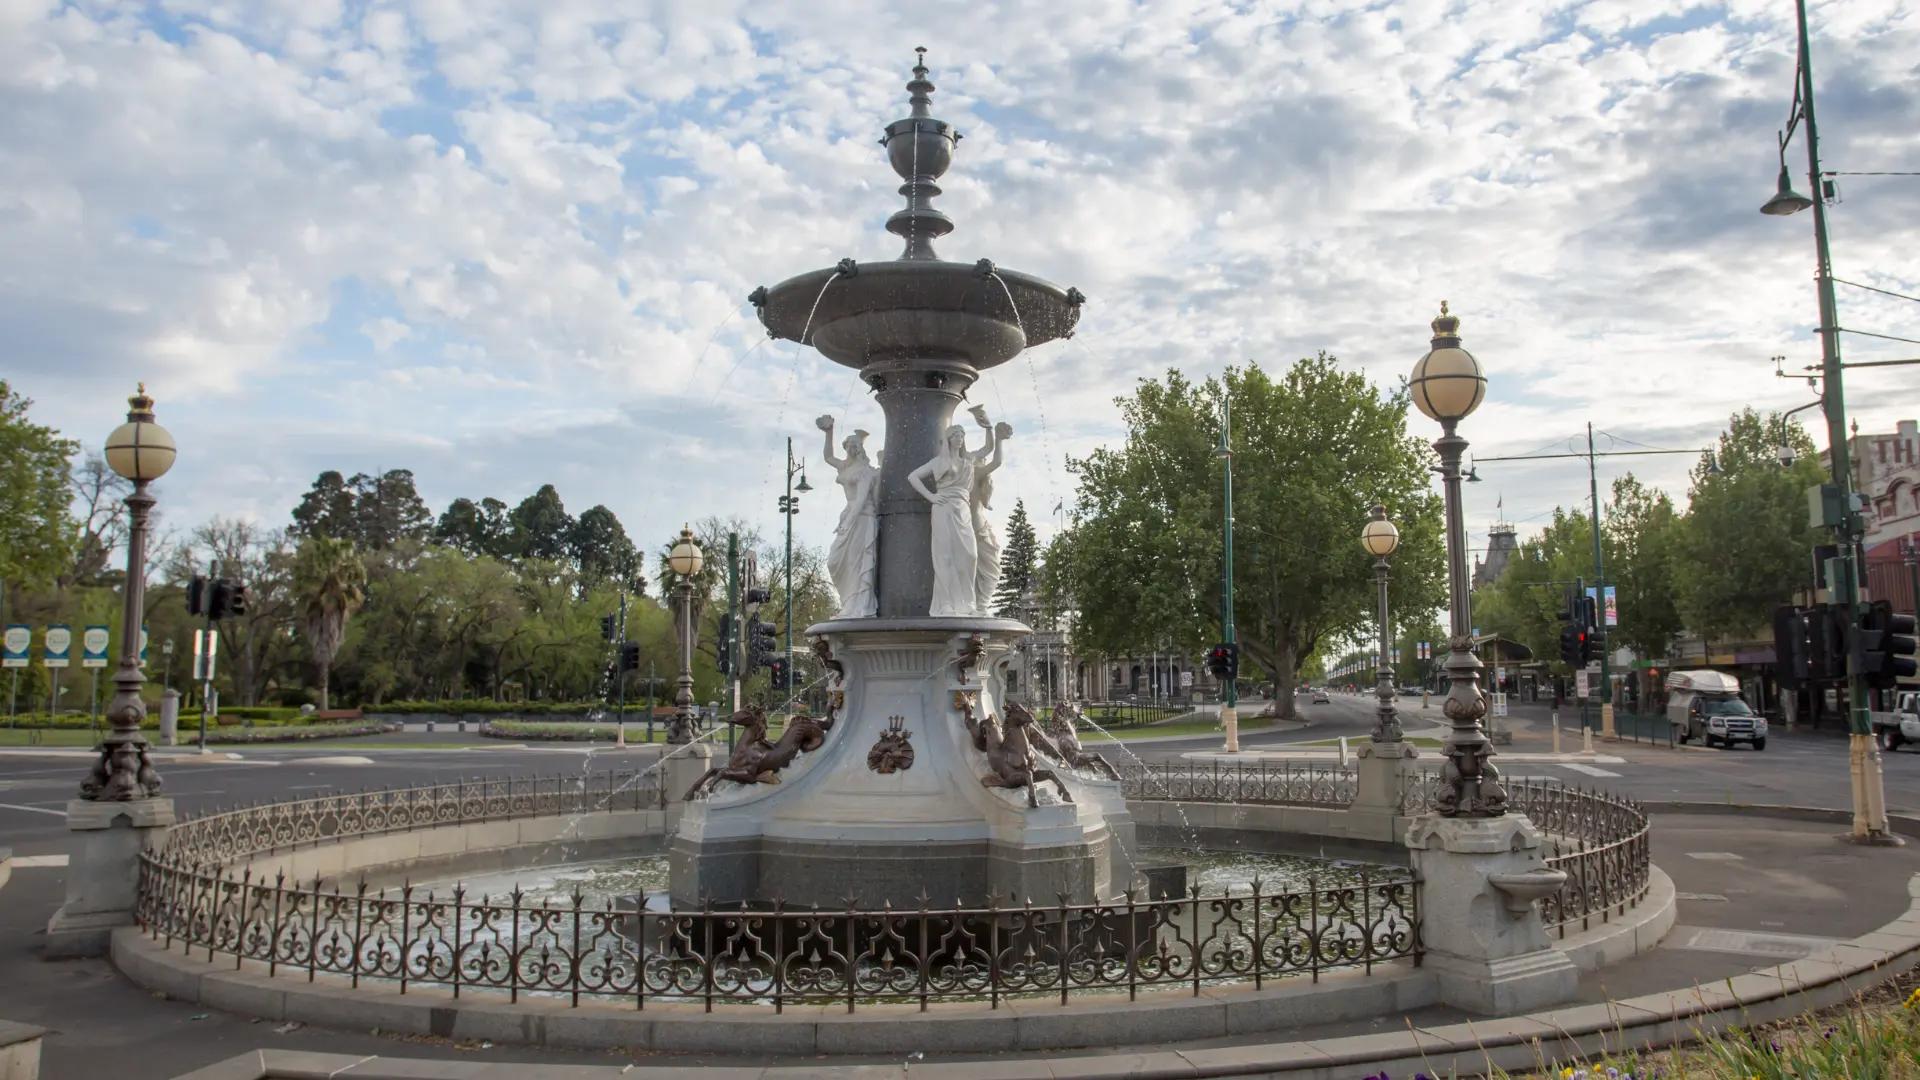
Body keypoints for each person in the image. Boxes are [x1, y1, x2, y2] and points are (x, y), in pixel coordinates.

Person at [909, 419, 1001, 617]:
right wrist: (931, 496)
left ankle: (968, 604)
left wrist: (988, 428)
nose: (959, 439)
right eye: (956, 436)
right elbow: (913, 477)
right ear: (948, 440)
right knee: (944, 556)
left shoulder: (968, 460)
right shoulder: (938, 462)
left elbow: (989, 449)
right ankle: (946, 605)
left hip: (962, 508)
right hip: (943, 508)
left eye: (962, 436)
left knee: (970, 555)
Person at [816, 415, 879, 618]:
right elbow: (828, 457)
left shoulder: (865, 472)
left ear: (860, 449)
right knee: (835, 561)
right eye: (848, 446)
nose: (850, 449)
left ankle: (857, 606)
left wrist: (847, 523)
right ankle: (848, 603)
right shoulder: (846, 467)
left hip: (862, 519)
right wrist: (829, 432)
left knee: (856, 561)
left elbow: (861, 501)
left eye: (854, 446)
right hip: (850, 517)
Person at [966, 405, 1012, 614]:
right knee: (989, 567)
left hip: (975, 523)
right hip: (975, 524)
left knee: (982, 567)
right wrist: (996, 435)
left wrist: (989, 428)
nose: (981, 458)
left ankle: (979, 604)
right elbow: (996, 458)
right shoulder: (971, 473)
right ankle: (981, 604)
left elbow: (988, 451)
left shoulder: (972, 473)